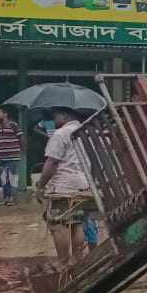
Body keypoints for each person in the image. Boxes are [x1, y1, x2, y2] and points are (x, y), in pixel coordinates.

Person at [34, 108, 94, 267]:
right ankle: (78, 261)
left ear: (65, 115)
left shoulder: (60, 134)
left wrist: (41, 186)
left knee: (59, 224)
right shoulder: (84, 132)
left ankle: (64, 263)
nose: (54, 119)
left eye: (56, 115)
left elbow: (52, 162)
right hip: (82, 183)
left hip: (63, 185)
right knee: (77, 223)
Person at [0, 107, 22, 206]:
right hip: (2, 157)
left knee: (12, 178)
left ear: (5, 114)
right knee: (3, 178)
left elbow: (21, 137)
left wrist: (21, 152)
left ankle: (12, 198)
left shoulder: (13, 124)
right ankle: (6, 198)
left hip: (13, 156)